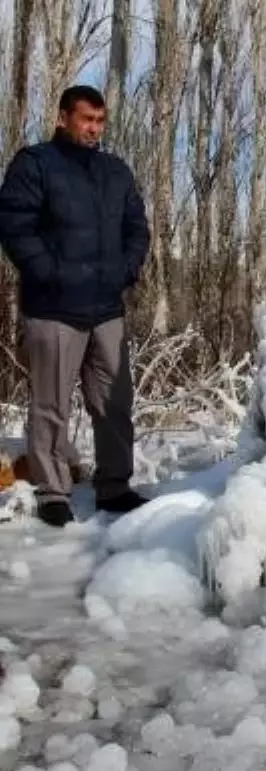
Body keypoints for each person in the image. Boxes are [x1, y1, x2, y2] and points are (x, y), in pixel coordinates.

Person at [0, 85, 151, 527]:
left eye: (100, 121)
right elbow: (14, 225)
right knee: (51, 405)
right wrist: (51, 273)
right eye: (86, 119)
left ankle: (115, 486)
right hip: (53, 308)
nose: (94, 129)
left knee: (114, 401)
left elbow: (136, 227)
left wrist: (124, 270)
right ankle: (53, 492)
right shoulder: (35, 164)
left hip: (106, 308)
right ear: (64, 116)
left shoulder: (115, 171)